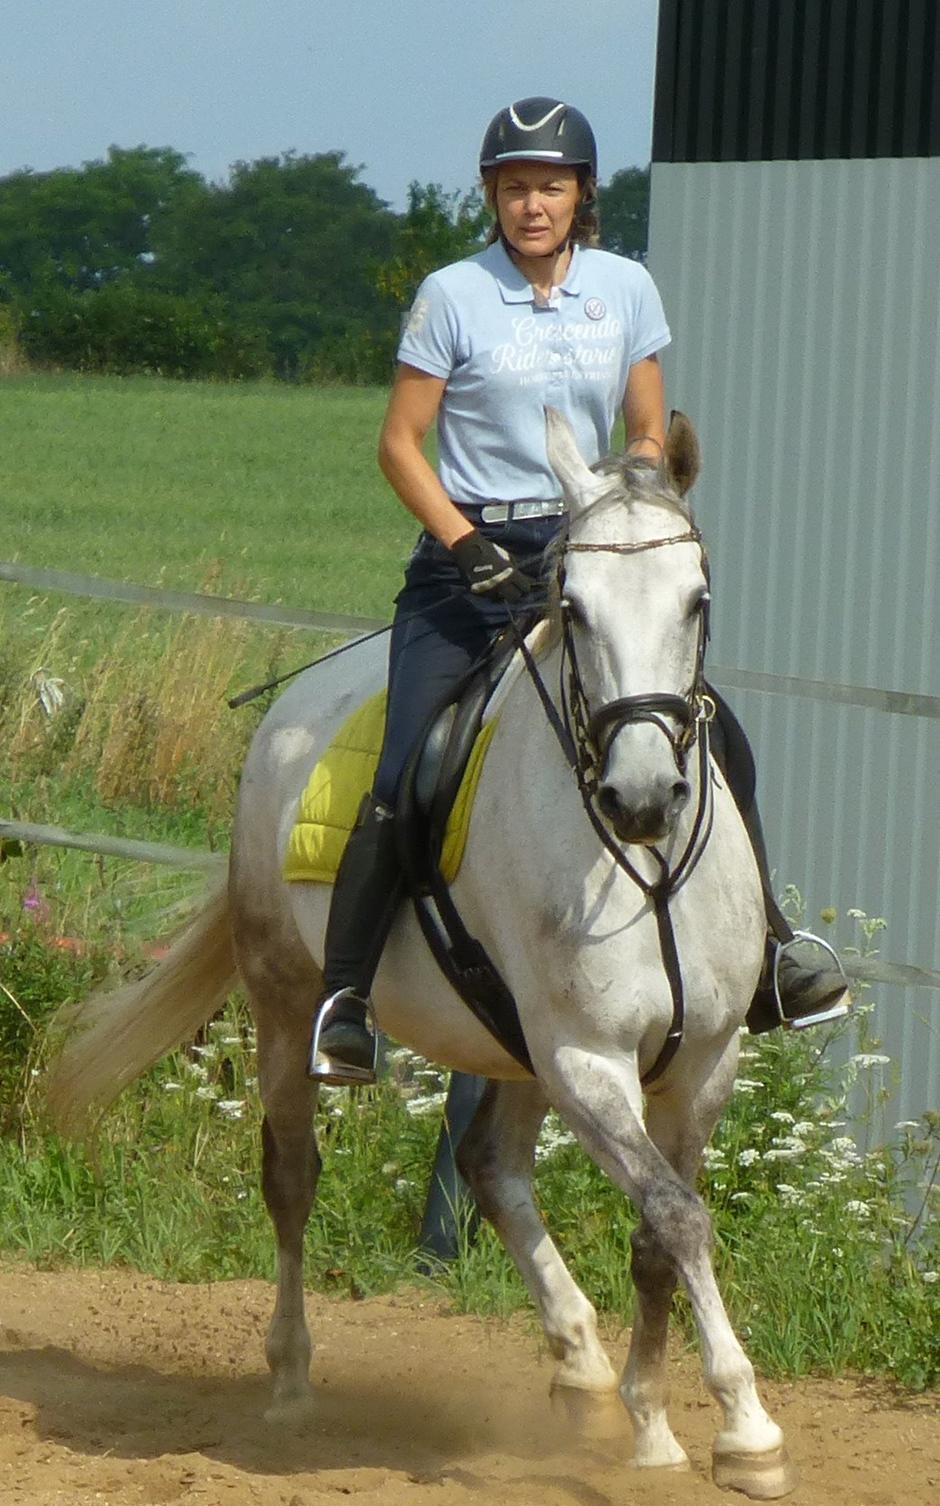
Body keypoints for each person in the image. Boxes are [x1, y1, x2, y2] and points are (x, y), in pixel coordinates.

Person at [307, 96, 848, 1090]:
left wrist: (619, 504)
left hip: (587, 544)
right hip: (466, 562)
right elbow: (397, 443)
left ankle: (770, 951)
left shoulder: (622, 289)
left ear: (580, 195)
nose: (530, 205)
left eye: (549, 187)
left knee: (713, 731)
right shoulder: (449, 295)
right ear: (490, 196)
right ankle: (344, 998)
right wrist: (464, 543)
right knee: (405, 768)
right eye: (513, 188)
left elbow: (648, 427)